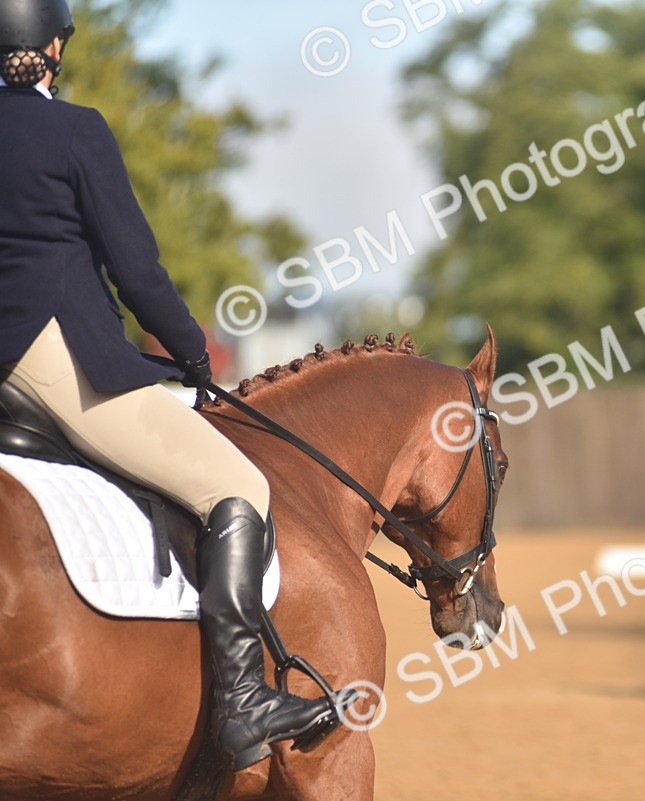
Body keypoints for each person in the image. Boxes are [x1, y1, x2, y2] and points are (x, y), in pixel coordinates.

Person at [0, 0, 340, 771]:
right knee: (237, 484)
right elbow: (137, 270)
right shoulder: (75, 129)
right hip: (54, 357)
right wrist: (190, 354)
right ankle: (244, 701)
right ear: (53, 48)